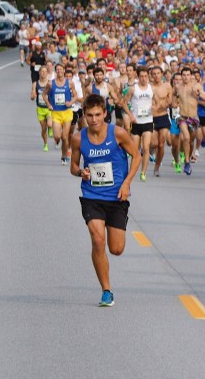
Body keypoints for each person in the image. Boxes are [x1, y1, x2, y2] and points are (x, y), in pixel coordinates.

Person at [69, 94, 141, 307]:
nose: (93, 119)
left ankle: (107, 284)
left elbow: (136, 156)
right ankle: (106, 291)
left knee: (116, 249)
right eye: (89, 115)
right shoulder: (78, 138)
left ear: (104, 113)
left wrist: (127, 183)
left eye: (98, 115)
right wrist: (80, 172)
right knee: (97, 238)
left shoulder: (117, 133)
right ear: (84, 115)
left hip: (116, 196)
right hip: (92, 196)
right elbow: (73, 166)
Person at [121, 66, 154, 182]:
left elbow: (157, 101)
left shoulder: (151, 88)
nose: (144, 79)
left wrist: (155, 107)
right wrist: (130, 116)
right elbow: (123, 103)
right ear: (138, 77)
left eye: (146, 76)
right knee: (135, 150)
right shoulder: (133, 89)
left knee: (146, 148)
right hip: (136, 122)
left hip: (148, 121)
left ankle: (143, 172)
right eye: (141, 76)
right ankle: (132, 171)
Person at [174, 66, 205, 175]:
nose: (186, 77)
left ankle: (187, 155)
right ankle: (187, 162)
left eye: (188, 75)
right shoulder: (178, 87)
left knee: (191, 141)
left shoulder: (196, 86)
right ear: (181, 76)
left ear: (191, 76)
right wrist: (174, 104)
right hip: (182, 117)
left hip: (193, 118)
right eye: (184, 75)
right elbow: (174, 96)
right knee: (186, 137)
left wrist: (198, 93)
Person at [44, 64, 78, 165]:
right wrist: (48, 104)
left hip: (67, 112)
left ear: (64, 71)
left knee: (64, 136)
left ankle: (64, 156)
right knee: (58, 136)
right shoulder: (50, 83)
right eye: (57, 70)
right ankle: (56, 141)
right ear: (55, 72)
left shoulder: (70, 83)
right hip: (56, 113)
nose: (59, 71)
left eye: (61, 69)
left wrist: (71, 102)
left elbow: (75, 96)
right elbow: (44, 94)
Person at [149, 66, 172, 177]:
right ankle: (149, 150)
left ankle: (157, 167)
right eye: (154, 74)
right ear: (151, 75)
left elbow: (170, 101)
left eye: (158, 73)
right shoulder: (148, 87)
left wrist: (164, 104)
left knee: (161, 144)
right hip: (151, 118)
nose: (156, 76)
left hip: (163, 117)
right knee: (154, 143)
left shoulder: (167, 87)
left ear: (162, 74)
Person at [30, 66, 52, 151]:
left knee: (49, 124)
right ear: (39, 73)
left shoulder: (50, 83)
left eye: (45, 71)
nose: (43, 73)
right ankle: (45, 144)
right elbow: (32, 96)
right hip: (40, 108)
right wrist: (33, 96)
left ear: (47, 73)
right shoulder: (35, 84)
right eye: (42, 71)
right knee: (43, 129)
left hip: (49, 108)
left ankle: (50, 128)